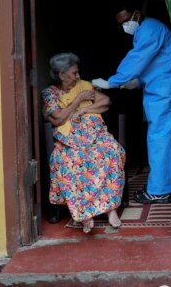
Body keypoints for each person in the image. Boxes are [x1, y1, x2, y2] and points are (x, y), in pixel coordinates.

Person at [92, 6, 171, 204]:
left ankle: (159, 191)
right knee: (165, 139)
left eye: (126, 20)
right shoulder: (147, 29)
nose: (124, 26)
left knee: (160, 140)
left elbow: (138, 57)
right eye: (120, 23)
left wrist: (113, 81)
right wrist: (136, 82)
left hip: (162, 91)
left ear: (137, 13)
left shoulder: (150, 29)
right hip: (159, 90)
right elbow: (155, 63)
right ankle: (167, 185)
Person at [43, 52, 126, 233]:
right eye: (74, 73)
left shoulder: (84, 85)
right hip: (69, 138)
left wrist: (84, 110)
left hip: (95, 132)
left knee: (112, 150)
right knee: (66, 160)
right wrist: (78, 101)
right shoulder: (50, 93)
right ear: (62, 74)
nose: (78, 76)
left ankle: (111, 209)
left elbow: (105, 101)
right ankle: (84, 213)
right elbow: (57, 118)